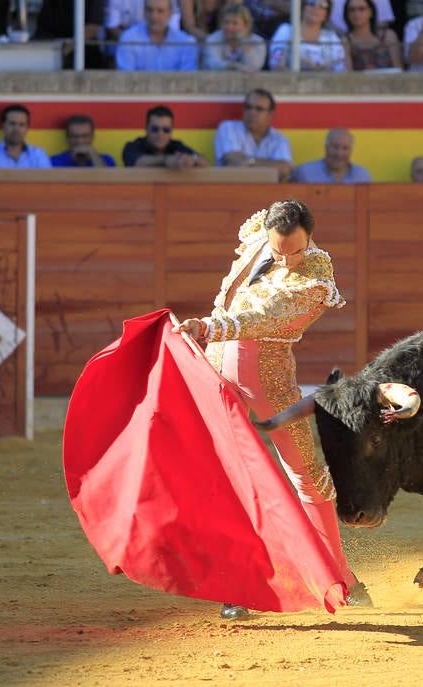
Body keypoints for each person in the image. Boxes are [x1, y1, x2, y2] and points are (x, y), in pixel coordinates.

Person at [172, 199, 372, 618]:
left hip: (266, 372)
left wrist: (209, 327)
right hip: (216, 366)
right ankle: (238, 584)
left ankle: (340, 577)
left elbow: (265, 315)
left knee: (305, 474)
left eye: (294, 250)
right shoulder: (262, 236)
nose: (285, 258)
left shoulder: (316, 271)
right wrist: (208, 334)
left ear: (310, 239)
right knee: (229, 474)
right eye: (279, 249)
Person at [213, 89, 292, 180]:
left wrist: (250, 162)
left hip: (267, 191)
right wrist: (271, 166)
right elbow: (234, 161)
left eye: (259, 109)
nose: (252, 113)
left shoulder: (279, 139)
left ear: (271, 115)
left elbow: (285, 169)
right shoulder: (228, 128)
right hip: (231, 189)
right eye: (248, 107)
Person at [268, 0, 350, 72]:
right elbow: (276, 64)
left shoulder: (331, 37)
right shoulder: (286, 31)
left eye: (323, 5)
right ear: (302, 7)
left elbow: (340, 69)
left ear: (327, 13)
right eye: (311, 3)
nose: (316, 9)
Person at [116, 0, 199, 71]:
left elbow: (188, 81)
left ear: (170, 13)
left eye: (160, 11)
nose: (154, 16)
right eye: (149, 10)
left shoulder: (186, 43)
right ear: (143, 11)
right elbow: (125, 79)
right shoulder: (128, 39)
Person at [122, 105, 208, 168]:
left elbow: (204, 162)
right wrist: (165, 160)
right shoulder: (132, 146)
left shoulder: (176, 145)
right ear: (146, 129)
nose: (160, 134)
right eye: (155, 129)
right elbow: (136, 163)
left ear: (171, 131)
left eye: (166, 130)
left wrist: (191, 160)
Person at [34, 0, 106, 68]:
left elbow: (93, 28)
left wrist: (63, 51)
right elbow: (42, 30)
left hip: (85, 60)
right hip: (52, 59)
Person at [291, 128, 372, 183]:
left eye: (345, 148)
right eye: (335, 147)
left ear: (351, 151)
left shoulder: (362, 176)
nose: (339, 153)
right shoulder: (304, 173)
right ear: (326, 147)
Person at [202, 4, 267, 71]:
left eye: (234, 23)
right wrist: (234, 66)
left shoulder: (258, 41)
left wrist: (243, 42)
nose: (229, 27)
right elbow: (212, 64)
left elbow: (255, 66)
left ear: (246, 25)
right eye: (226, 22)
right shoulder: (212, 39)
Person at [344, 0, 402, 71]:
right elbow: (348, 72)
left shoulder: (388, 35)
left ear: (371, 12)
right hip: (359, 81)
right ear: (347, 14)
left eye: (361, 9)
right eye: (352, 10)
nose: (356, 14)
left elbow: (398, 68)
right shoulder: (345, 40)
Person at [0, 105, 51, 169]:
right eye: (12, 123)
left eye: (21, 124)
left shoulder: (38, 155)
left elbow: (46, 179)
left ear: (27, 128)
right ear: (3, 126)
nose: (16, 129)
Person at [51, 115, 117, 168]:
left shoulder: (107, 160)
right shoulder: (54, 162)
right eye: (75, 136)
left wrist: (94, 156)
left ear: (92, 137)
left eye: (85, 136)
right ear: (67, 138)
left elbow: (107, 181)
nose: (80, 141)